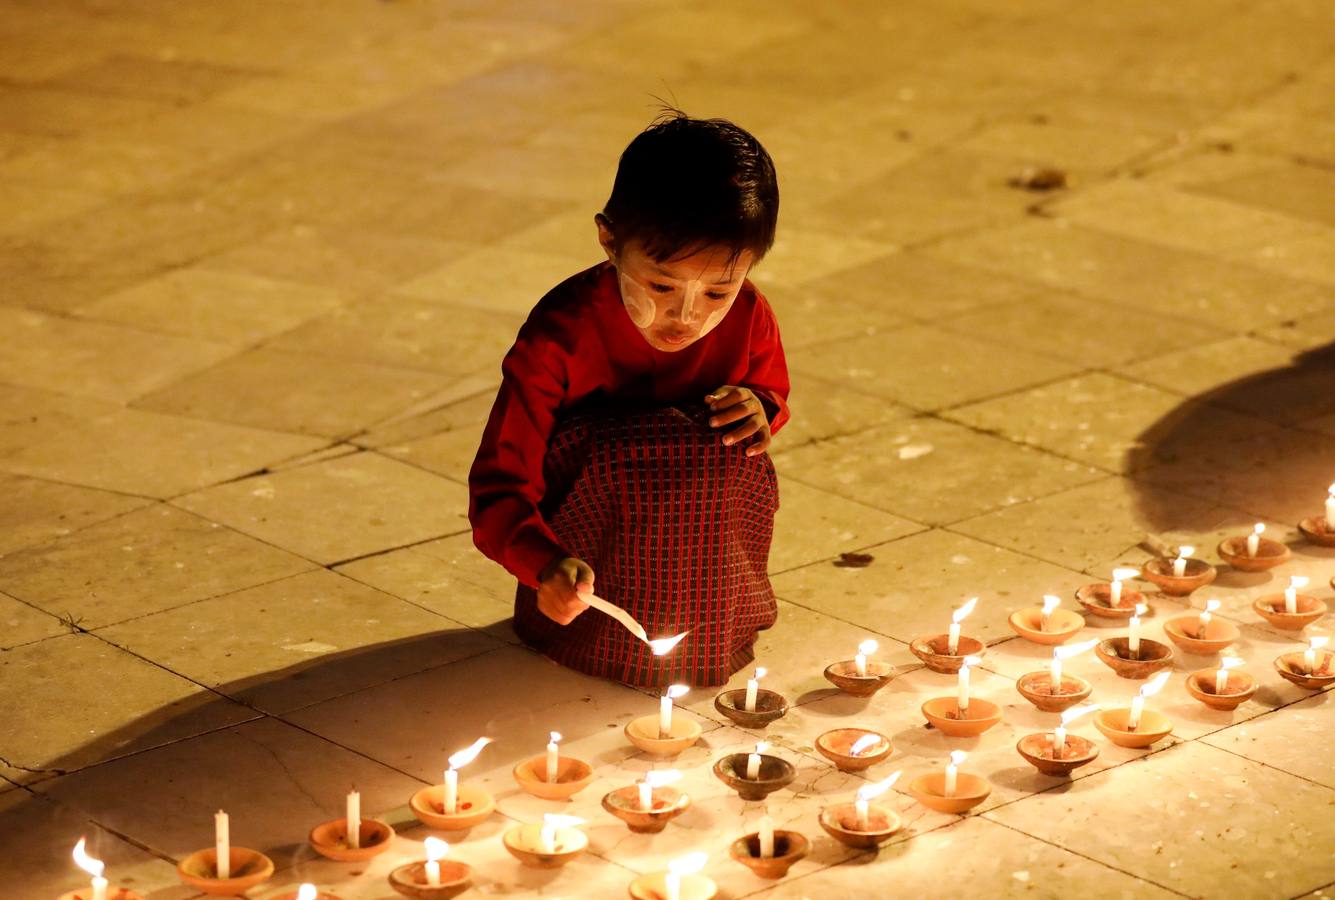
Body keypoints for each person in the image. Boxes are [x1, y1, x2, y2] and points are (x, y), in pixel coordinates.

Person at [468, 110, 790, 687]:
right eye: (662, 285)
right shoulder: (560, 336)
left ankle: (718, 632)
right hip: (593, 549)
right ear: (610, 239)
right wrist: (543, 565)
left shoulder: (747, 315)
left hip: (704, 555)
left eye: (718, 289)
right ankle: (585, 636)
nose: (686, 316)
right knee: (647, 447)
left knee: (717, 448)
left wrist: (758, 408)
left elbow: (770, 394)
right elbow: (500, 483)